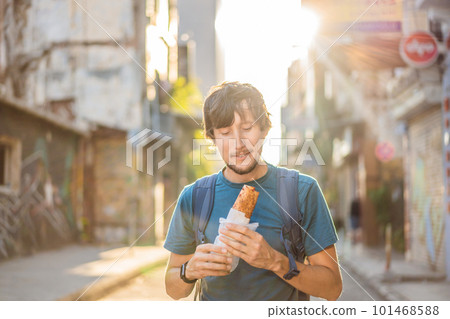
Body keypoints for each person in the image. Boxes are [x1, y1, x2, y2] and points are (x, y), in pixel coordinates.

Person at [164, 82, 342, 301]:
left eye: (247, 128)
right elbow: (172, 288)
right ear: (212, 138)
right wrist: (188, 271)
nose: (238, 143)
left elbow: (332, 288)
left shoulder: (302, 191)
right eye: (225, 132)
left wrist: (275, 261)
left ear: (265, 129)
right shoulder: (194, 197)